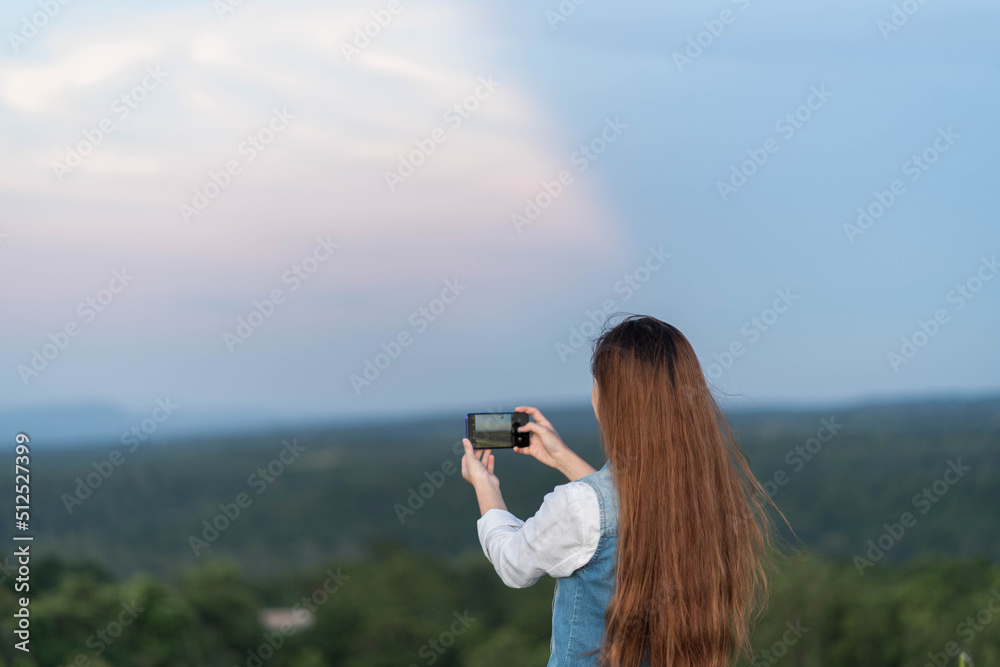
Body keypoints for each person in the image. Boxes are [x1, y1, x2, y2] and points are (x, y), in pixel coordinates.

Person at [461, 315, 781, 667]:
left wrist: (486, 489)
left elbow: (513, 564)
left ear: (610, 398)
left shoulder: (579, 505)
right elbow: (624, 509)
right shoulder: (711, 496)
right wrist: (562, 458)